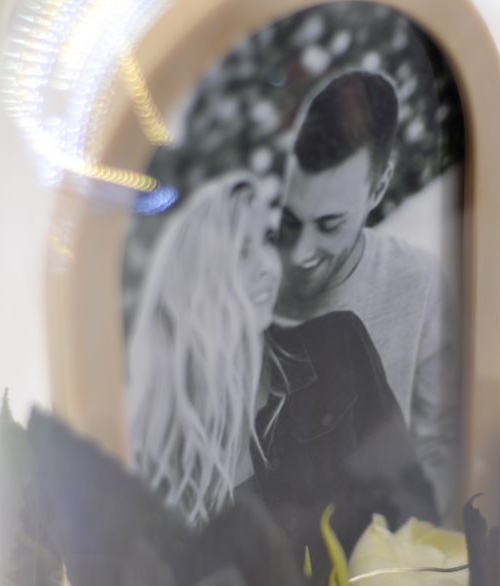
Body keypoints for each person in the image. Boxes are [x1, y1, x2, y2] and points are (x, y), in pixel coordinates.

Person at [127, 172, 438, 563]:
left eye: (267, 240)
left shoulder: (337, 346)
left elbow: (411, 511)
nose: (265, 265)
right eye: (242, 252)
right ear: (197, 283)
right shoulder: (167, 458)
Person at [277, 70, 460, 524]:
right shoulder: (239, 284)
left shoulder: (419, 283)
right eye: (291, 220)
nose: (299, 252)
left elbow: (442, 446)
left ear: (378, 189)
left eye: (329, 224)